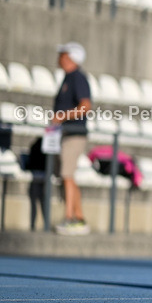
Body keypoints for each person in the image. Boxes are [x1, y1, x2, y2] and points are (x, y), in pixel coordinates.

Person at [52, 42, 92, 235]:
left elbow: (85, 106)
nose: (59, 57)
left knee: (67, 175)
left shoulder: (77, 78)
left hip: (74, 133)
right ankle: (78, 217)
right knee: (69, 176)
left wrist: (62, 117)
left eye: (63, 54)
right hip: (67, 133)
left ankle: (70, 218)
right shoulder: (69, 77)